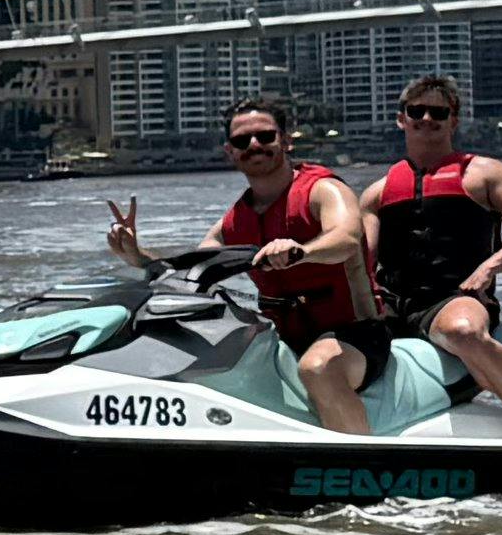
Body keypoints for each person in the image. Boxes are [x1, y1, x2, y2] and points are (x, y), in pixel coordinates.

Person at [106, 104, 379, 431]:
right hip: (283, 336)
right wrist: (139, 256)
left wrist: (301, 251)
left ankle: (358, 458)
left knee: (318, 368)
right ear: (230, 151)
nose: (254, 145)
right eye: (241, 140)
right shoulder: (235, 221)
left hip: (355, 333)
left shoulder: (324, 190)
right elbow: (193, 269)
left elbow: (346, 238)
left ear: (285, 141)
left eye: (265, 136)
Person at [357, 72, 502, 430]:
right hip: (393, 303)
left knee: (463, 331)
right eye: (417, 111)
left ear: (454, 120)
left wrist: (489, 268)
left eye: (438, 112)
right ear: (401, 119)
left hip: (454, 297)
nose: (426, 119)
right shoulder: (377, 192)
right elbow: (361, 260)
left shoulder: (484, 174)